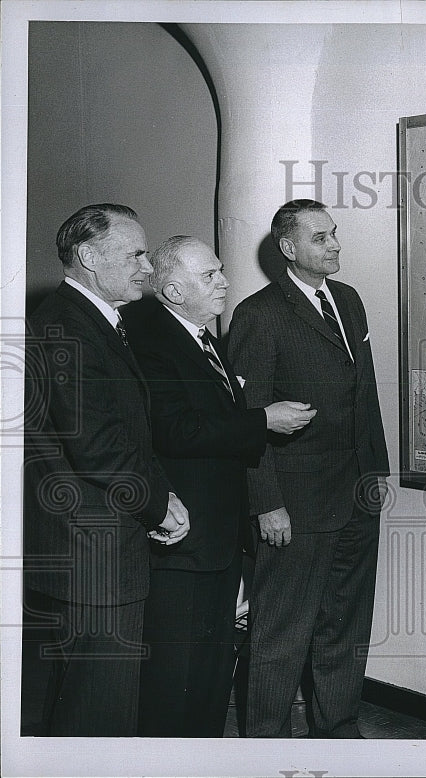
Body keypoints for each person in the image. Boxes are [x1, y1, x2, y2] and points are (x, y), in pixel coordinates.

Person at [121, 236, 316, 737]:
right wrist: (262, 421)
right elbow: (176, 431)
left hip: (218, 537)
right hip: (184, 540)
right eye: (209, 276)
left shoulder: (202, 337)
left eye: (220, 271)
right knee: (174, 678)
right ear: (171, 290)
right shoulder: (151, 342)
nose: (224, 282)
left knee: (209, 674)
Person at [22, 203, 190, 736]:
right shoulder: (68, 325)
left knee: (67, 711)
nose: (147, 266)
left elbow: (120, 433)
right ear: (90, 256)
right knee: (100, 715)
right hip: (94, 556)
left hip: (83, 550)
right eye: (136, 253)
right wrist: (159, 504)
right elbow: (100, 446)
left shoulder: (87, 321)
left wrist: (159, 495)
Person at [229, 199, 389, 738]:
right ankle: (264, 747)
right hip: (292, 506)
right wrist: (266, 501)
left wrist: (376, 473)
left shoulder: (348, 301)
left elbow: (363, 395)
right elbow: (249, 422)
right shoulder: (259, 315)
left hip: (354, 496)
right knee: (280, 633)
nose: (335, 245)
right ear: (288, 248)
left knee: (345, 623)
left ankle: (338, 731)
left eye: (334, 234)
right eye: (320, 238)